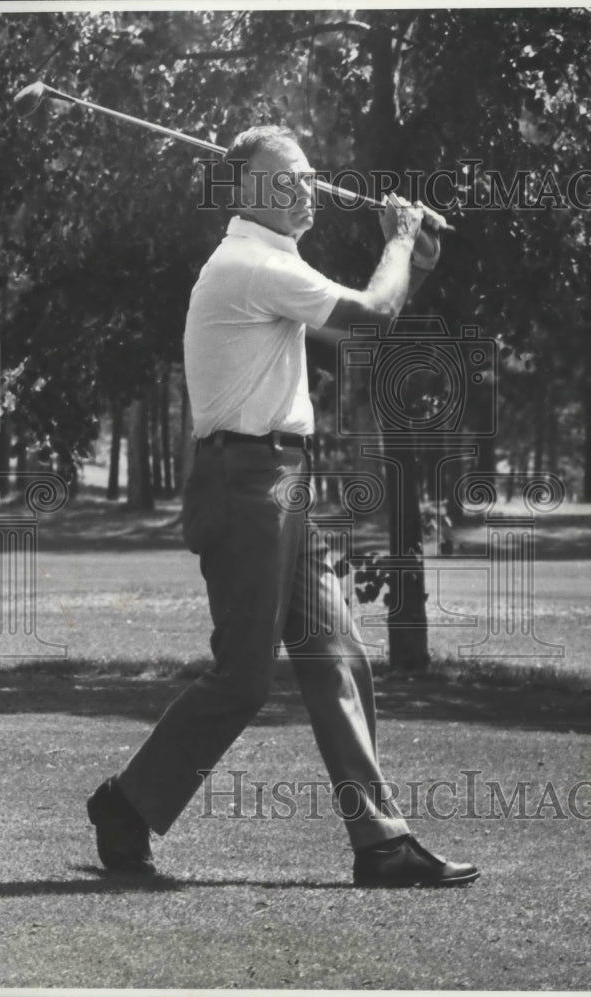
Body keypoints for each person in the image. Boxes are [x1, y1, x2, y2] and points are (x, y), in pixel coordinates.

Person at [87, 126, 479, 888]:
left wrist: (409, 265)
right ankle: (127, 805)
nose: (307, 189)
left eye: (308, 176)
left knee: (339, 653)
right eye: (288, 179)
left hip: (279, 480)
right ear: (246, 192)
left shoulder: (277, 264)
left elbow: (351, 332)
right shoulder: (248, 264)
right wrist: (398, 239)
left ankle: (381, 841)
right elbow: (369, 315)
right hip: (244, 483)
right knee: (242, 679)